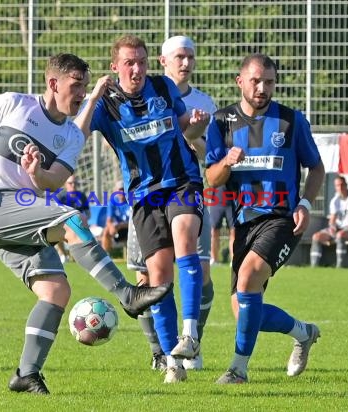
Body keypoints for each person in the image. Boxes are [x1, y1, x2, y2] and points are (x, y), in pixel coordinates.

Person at [0, 53, 172, 394]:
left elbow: (54, 181)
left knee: (56, 292)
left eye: (85, 87)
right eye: (76, 86)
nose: (81, 93)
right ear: (52, 84)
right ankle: (128, 294)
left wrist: (36, 173)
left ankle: (26, 374)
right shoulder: (13, 104)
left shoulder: (72, 136)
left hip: (24, 213)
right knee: (72, 220)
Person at [74, 35, 211, 383]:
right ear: (115, 67)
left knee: (185, 240)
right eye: (129, 63)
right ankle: (171, 362)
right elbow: (77, 134)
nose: (137, 69)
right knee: (159, 278)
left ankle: (191, 334)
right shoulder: (105, 106)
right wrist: (92, 97)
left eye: (142, 61)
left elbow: (181, 129)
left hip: (182, 181)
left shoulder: (164, 87)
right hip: (144, 195)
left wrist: (197, 124)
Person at [205, 53, 325, 384]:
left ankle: (238, 369)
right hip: (242, 223)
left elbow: (316, 168)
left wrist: (303, 202)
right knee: (245, 311)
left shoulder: (290, 120)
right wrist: (227, 162)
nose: (262, 87)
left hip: (282, 218)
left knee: (248, 280)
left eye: (269, 82)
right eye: (256, 81)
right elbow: (212, 179)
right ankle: (304, 333)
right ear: (240, 82)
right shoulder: (221, 122)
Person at [123, 35, 217, 372]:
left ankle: (192, 341)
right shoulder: (136, 96)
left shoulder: (203, 102)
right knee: (146, 275)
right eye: (179, 56)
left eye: (190, 56)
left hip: (186, 187)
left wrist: (196, 134)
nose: (186, 63)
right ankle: (160, 352)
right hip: (146, 193)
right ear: (163, 62)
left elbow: (210, 155)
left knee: (199, 268)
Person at [310, 175, 348, 268]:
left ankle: (340, 266)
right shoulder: (335, 201)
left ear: (346, 185)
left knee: (340, 235)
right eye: (338, 185)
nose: (340, 187)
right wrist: (332, 226)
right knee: (316, 237)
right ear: (335, 187)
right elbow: (332, 219)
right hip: (339, 227)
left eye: (342, 185)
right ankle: (314, 267)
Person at [55, 174, 90, 262]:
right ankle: (63, 255)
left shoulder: (81, 196)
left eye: (75, 183)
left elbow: (88, 213)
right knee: (55, 233)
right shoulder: (60, 196)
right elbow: (56, 214)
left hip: (79, 224)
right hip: (64, 224)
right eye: (70, 183)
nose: (73, 185)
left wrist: (83, 220)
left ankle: (81, 256)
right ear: (66, 184)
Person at [209, 185, 236, 265]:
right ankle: (214, 259)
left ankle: (233, 259)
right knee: (214, 232)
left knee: (233, 232)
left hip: (231, 203)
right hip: (216, 202)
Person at [101, 180, 130, 252]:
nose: (122, 192)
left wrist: (120, 225)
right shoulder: (112, 202)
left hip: (129, 227)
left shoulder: (131, 201)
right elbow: (108, 220)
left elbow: (135, 222)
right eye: (120, 190)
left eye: (123, 189)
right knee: (106, 231)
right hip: (117, 228)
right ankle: (106, 255)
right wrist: (111, 226)